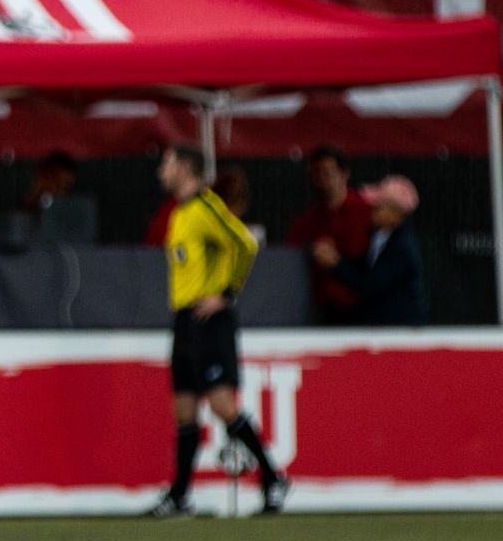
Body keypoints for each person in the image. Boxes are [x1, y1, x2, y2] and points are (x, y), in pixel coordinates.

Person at [147, 145, 290, 518]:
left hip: (209, 320)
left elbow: (245, 242)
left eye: (166, 162)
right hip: (185, 318)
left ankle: (272, 477)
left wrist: (226, 294)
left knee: (222, 404)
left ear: (185, 167)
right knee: (184, 409)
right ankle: (180, 496)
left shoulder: (207, 206)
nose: (161, 169)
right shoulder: (180, 213)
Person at [313, 175, 427, 325]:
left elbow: (370, 287)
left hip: (400, 333)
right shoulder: (376, 236)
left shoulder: (402, 249)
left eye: (378, 207)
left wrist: (335, 264)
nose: (371, 210)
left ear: (397, 213)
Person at [287, 145, 373, 325]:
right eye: (316, 174)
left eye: (327, 173)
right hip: (320, 310)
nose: (322, 180)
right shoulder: (307, 222)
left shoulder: (365, 213)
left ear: (344, 173)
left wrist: (336, 263)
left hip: (362, 308)